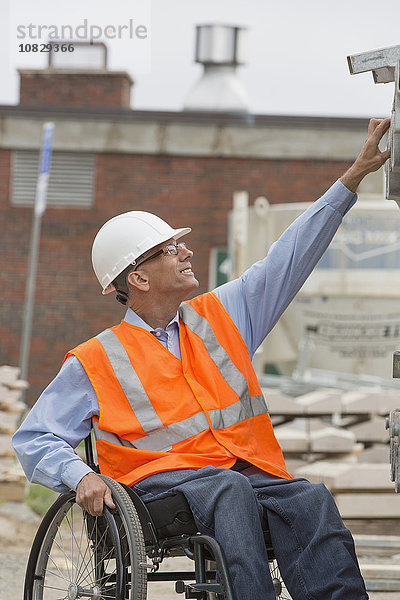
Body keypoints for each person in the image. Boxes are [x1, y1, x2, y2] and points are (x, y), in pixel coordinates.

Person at [13, 118, 391, 600]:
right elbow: (35, 436)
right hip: (155, 494)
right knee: (227, 490)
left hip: (239, 475)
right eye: (171, 249)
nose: (187, 252)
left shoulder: (223, 315)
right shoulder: (95, 359)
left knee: (309, 498)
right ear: (140, 280)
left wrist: (351, 179)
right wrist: (80, 476)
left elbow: (288, 258)